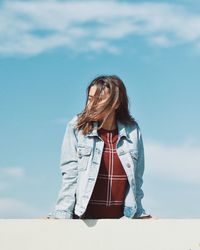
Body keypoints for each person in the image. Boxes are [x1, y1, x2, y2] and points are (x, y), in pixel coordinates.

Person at [47, 75, 153, 219]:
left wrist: (139, 212)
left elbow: (137, 178)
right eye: (90, 99)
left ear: (116, 103)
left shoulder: (132, 131)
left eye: (100, 100)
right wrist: (61, 214)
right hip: (84, 221)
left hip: (121, 222)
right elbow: (70, 175)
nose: (92, 105)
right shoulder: (76, 126)